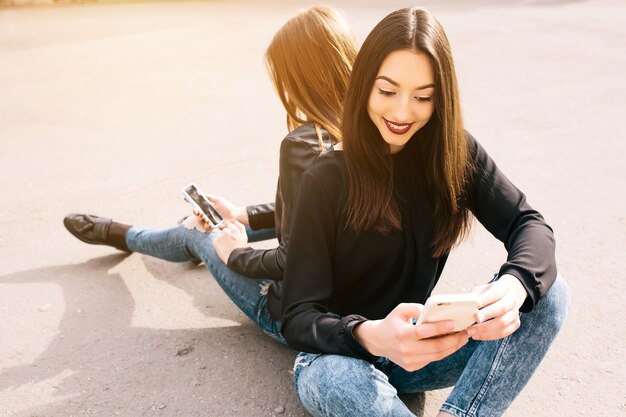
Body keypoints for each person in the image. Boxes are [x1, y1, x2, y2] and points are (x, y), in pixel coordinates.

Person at [280, 7, 570, 417]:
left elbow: (528, 224)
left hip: (421, 350)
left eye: (422, 97)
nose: (401, 113)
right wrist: (371, 334)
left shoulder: (454, 155)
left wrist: (514, 286)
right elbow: (297, 316)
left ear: (441, 98)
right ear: (363, 85)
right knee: (335, 381)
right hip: (338, 355)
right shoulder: (325, 177)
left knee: (549, 294)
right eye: (387, 91)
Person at [63, 6, 357, 343]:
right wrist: (242, 215)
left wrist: (234, 252)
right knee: (219, 222)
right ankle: (185, 231)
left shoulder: (303, 144)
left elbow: (291, 262)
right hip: (363, 311)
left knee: (197, 231)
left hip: (302, 315)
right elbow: (320, 215)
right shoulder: (380, 128)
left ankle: (128, 235)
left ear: (299, 78)